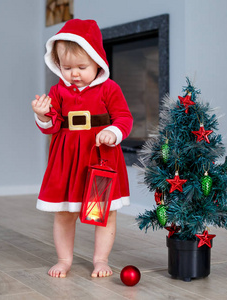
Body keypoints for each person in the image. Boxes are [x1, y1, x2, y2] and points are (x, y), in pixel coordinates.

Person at [31, 19, 133, 278]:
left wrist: (113, 131)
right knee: (64, 213)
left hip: (99, 160)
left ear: (98, 61)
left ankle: (101, 259)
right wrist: (43, 115)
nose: (74, 74)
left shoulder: (109, 89)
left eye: (81, 67)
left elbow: (124, 118)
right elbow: (52, 126)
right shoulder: (58, 91)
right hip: (66, 160)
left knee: (103, 212)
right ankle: (64, 259)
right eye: (66, 67)